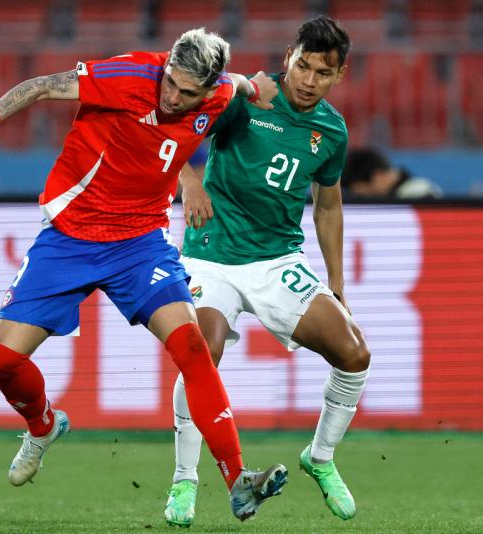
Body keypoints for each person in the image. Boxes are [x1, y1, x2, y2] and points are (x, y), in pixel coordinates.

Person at [0, 29, 286, 522]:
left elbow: (245, 85)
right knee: (1, 360)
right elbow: (45, 84)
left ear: (208, 88)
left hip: (139, 242)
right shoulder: (129, 74)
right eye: (170, 83)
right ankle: (43, 426)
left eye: (186, 92)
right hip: (70, 235)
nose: (173, 96)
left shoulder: (220, 91)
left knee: (193, 348)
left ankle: (238, 480)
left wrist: (263, 88)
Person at [163, 16, 370, 526]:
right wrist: (189, 180)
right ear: (287, 57)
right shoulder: (246, 97)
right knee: (200, 351)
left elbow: (327, 207)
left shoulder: (331, 131)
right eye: (302, 65)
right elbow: (168, 128)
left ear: (338, 75)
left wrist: (337, 284)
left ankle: (319, 458)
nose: (308, 79)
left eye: (322, 73)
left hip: (277, 259)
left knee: (354, 353)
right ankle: (184, 480)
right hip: (211, 251)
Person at [342, 146, 442, 199]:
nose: (360, 197)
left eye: (359, 191)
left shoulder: (420, 195)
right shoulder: (409, 192)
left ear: (377, 176)